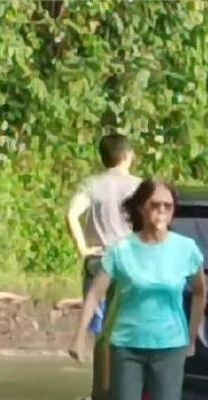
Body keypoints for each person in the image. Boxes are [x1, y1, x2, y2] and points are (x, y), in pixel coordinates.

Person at [69, 179, 207, 400]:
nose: (161, 212)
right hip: (127, 344)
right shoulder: (122, 251)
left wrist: (192, 334)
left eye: (167, 207)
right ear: (140, 209)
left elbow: (201, 291)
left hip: (169, 344)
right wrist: (79, 336)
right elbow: (95, 294)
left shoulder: (185, 249)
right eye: (154, 205)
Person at [66, 134, 142, 336]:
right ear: (128, 155)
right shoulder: (140, 187)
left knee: (101, 330)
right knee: (126, 326)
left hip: (99, 260)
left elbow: (71, 214)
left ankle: (102, 366)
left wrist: (83, 248)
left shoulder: (92, 185)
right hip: (131, 261)